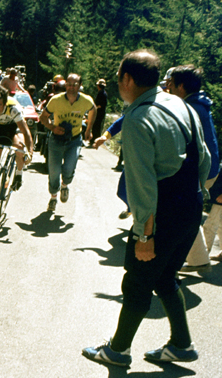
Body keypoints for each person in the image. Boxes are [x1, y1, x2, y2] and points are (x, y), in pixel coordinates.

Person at [83, 49, 210, 367]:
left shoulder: (139, 119)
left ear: (127, 79)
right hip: (192, 206)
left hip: (162, 214)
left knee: (138, 280)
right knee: (166, 277)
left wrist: (144, 235)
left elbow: (142, 187)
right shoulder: (179, 104)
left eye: (118, 79)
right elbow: (205, 158)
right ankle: (181, 345)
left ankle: (117, 350)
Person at [167, 65, 220, 273]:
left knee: (178, 213)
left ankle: (188, 260)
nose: (167, 87)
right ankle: (199, 259)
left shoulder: (188, 108)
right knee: (185, 212)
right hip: (210, 169)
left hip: (201, 170)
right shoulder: (200, 104)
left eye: (170, 83)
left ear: (181, 86)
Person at [39, 73, 96, 212]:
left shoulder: (86, 100)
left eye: (74, 84)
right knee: (54, 171)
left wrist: (89, 129)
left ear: (79, 86)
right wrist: (53, 127)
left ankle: (65, 185)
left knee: (69, 169)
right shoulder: (55, 100)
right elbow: (43, 117)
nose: (71, 87)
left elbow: (93, 110)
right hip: (56, 140)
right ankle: (53, 198)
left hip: (74, 140)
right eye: (68, 84)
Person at [0, 86, 33, 209]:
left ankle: (19, 173)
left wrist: (29, 152)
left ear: (5, 103)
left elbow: (26, 132)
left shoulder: (13, 109)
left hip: (14, 127)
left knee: (19, 147)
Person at [88, 79, 108, 147]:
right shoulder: (102, 92)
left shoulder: (102, 93)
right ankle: (94, 140)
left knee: (96, 126)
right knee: (96, 126)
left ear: (99, 86)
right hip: (99, 112)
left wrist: (95, 108)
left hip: (99, 113)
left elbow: (101, 105)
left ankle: (94, 141)